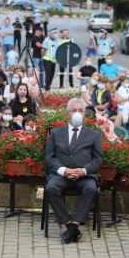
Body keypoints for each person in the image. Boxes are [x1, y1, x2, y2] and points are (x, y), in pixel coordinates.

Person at [45, 98, 103, 244]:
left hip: (84, 176)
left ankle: (74, 226)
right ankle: (69, 224)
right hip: (62, 175)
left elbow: (98, 159)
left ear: (84, 114)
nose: (77, 113)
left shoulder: (94, 134)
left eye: (80, 110)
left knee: (91, 189)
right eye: (73, 110)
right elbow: (49, 157)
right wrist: (63, 170)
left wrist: (83, 171)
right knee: (51, 188)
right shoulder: (56, 133)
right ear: (67, 114)